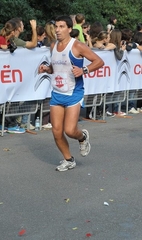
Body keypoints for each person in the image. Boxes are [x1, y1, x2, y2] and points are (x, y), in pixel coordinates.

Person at [38, 15, 104, 171]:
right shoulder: (53, 45)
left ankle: (82, 137)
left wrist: (84, 70)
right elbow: (56, 67)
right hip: (57, 92)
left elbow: (99, 61)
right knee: (56, 131)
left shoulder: (77, 46)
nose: (58, 30)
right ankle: (68, 159)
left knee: (70, 130)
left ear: (69, 29)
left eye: (61, 27)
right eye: (56, 27)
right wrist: (47, 69)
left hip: (74, 92)